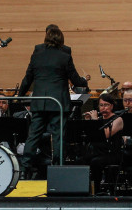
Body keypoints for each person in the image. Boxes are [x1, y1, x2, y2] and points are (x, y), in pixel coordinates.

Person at [17, 24, 88, 179]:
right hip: (58, 103)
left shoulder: (36, 55)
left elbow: (27, 78)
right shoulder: (65, 56)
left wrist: (19, 96)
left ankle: (24, 170)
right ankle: (58, 169)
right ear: (61, 39)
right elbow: (75, 79)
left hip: (40, 101)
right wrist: (84, 82)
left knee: (33, 136)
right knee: (58, 137)